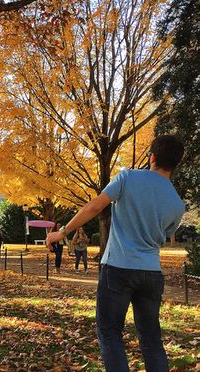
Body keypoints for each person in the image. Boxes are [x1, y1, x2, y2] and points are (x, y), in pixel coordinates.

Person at [46, 135, 185, 372]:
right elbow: (165, 233)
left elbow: (95, 206)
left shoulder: (128, 177)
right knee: (151, 339)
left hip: (118, 268)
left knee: (110, 332)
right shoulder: (177, 204)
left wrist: (62, 232)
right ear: (176, 164)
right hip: (151, 273)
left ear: (152, 157)